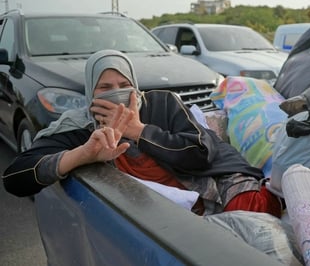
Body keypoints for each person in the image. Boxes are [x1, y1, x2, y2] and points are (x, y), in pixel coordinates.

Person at [2, 49, 281, 217]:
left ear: (135, 86)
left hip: (215, 180)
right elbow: (15, 178)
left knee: (249, 210)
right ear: (90, 93)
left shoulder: (160, 103)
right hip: (171, 213)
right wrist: (82, 154)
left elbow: (201, 154)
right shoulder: (81, 128)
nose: (118, 92)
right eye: (105, 87)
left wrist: (138, 131)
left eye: (124, 84)